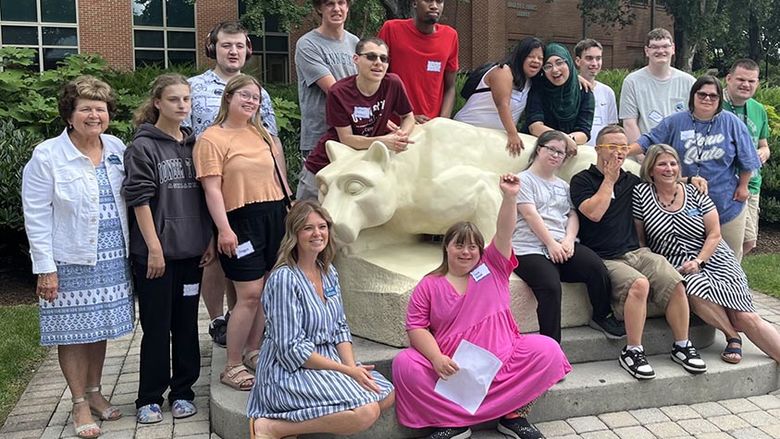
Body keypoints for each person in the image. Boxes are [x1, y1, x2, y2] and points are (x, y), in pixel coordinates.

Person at [392, 174, 571, 439]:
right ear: (447, 248)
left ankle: (513, 417)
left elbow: (504, 231)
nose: (466, 252)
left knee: (548, 350)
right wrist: (437, 358)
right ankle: (452, 424)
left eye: (473, 246)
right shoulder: (429, 284)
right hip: (453, 369)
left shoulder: (493, 266)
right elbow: (416, 327)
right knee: (405, 363)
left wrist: (510, 197)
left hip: (503, 361)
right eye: (459, 245)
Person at [22, 75, 134, 438]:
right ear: (69, 114)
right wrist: (45, 269)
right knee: (72, 332)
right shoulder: (48, 155)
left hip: (112, 255)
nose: (93, 115)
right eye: (85, 108)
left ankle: (96, 392)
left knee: (98, 327)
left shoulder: (116, 147)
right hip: (69, 258)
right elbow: (36, 214)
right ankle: (78, 403)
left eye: (100, 109)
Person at [248, 200, 394, 439]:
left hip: (326, 360)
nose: (317, 233)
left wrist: (350, 367)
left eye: (322, 226)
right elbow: (290, 349)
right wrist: (345, 371)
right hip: (289, 371)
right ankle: (271, 427)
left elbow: (339, 328)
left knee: (386, 393)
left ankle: (301, 418)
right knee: (366, 412)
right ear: (295, 234)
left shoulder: (327, 271)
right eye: (308, 228)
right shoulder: (285, 279)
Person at [570, 125, 705, 380]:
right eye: (612, 147)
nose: (619, 153)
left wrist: (689, 180)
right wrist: (609, 179)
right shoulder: (582, 181)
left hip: (636, 252)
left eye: (623, 147)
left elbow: (660, 180)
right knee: (639, 284)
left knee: (674, 280)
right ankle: (632, 351)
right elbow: (594, 213)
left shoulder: (632, 181)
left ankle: (682, 345)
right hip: (604, 256)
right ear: (598, 149)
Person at [634, 144, 780, 364]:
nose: (669, 169)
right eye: (662, 164)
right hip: (676, 263)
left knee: (745, 316)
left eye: (673, 163)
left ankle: (744, 334)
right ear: (650, 169)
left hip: (714, 257)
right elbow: (640, 239)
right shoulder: (641, 195)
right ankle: (732, 335)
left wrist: (700, 261)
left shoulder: (695, 192)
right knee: (691, 285)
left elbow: (714, 234)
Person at [123, 74, 215, 423]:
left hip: (191, 253)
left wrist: (206, 238)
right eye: (174, 99)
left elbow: (206, 198)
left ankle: (182, 392)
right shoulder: (142, 147)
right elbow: (139, 199)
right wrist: (154, 248)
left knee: (187, 325)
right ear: (157, 103)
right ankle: (149, 397)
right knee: (157, 326)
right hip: (155, 257)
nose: (181, 105)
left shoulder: (195, 147)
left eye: (186, 99)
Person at [187, 20, 284, 348]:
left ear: (248, 50)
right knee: (213, 253)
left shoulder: (259, 92)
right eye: (227, 45)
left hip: (247, 190)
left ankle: (239, 319)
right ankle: (217, 320)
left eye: (240, 45)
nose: (233, 51)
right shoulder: (194, 87)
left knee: (246, 268)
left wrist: (285, 192)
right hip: (203, 182)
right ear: (214, 47)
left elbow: (273, 141)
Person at [193, 74, 290, 391]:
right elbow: (212, 190)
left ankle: (254, 350)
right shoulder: (212, 138)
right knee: (248, 295)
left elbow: (280, 180)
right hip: (240, 220)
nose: (251, 102)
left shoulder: (262, 134)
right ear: (229, 98)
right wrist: (223, 229)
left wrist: (290, 212)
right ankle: (232, 364)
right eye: (245, 96)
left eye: (256, 98)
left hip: (273, 215)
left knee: (264, 292)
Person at [632, 75, 762, 262]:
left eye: (713, 96)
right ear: (693, 95)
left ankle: (731, 290)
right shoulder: (676, 121)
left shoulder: (731, 122)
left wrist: (743, 186)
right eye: (702, 94)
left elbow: (747, 158)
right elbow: (648, 141)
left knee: (730, 260)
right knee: (695, 259)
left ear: (719, 99)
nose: (707, 99)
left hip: (726, 202)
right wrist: (622, 150)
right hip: (687, 206)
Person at [513, 130, 624, 343]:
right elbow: (530, 214)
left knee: (596, 267)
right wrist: (551, 244)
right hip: (529, 248)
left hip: (562, 245)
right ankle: (551, 348)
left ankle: (601, 315)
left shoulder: (563, 185)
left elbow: (572, 215)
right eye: (551, 149)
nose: (556, 155)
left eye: (561, 152)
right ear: (538, 150)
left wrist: (568, 241)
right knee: (550, 286)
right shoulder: (523, 180)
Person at [299, 37, 415, 200]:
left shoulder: (393, 83)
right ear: (356, 59)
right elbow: (346, 139)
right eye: (371, 57)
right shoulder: (339, 92)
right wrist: (383, 141)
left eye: (383, 58)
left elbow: (408, 117)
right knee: (306, 218)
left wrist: (401, 136)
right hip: (328, 164)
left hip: (362, 165)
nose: (378, 63)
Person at [454, 37, 543, 155]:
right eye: (531, 56)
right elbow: (502, 105)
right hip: (466, 132)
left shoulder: (530, 83)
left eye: (540, 58)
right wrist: (513, 134)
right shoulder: (503, 71)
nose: (536, 61)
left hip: (493, 139)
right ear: (521, 56)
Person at [295, 0, 360, 163]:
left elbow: (366, 86)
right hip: (321, 137)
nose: (336, 9)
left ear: (347, 7)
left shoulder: (355, 43)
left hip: (354, 136)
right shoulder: (307, 44)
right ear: (319, 8)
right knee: (318, 188)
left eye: (341, 3)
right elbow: (335, 90)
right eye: (330, 4)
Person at [378, 0, 459, 123]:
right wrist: (406, 117)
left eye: (439, 1)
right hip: (396, 128)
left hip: (433, 128)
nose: (434, 6)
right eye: (428, 1)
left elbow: (450, 87)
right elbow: (376, 81)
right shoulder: (391, 29)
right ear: (414, 3)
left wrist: (442, 122)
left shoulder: (450, 36)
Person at [723, 59, 771, 256]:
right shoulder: (716, 105)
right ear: (728, 79)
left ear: (757, 83)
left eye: (751, 81)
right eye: (741, 79)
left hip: (752, 183)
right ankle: (730, 280)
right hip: (726, 183)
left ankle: (730, 277)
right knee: (738, 239)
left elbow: (763, 144)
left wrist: (764, 153)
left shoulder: (758, 109)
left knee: (749, 241)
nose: (746, 85)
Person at [619, 28, 695, 144]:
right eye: (654, 47)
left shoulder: (689, 82)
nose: (660, 51)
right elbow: (629, 123)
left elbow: (696, 121)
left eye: (665, 46)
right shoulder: (632, 82)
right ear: (646, 51)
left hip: (679, 156)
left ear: (673, 49)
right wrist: (642, 157)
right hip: (646, 155)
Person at [524, 42, 594, 156]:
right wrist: (563, 139)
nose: (555, 70)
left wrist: (569, 140)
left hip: (569, 152)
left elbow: (584, 132)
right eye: (548, 66)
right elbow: (534, 126)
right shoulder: (538, 88)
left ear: (569, 63)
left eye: (559, 63)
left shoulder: (584, 92)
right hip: (537, 151)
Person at [574, 39, 618, 146]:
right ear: (578, 61)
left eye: (598, 58)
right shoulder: (570, 91)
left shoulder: (608, 92)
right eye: (589, 58)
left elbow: (611, 128)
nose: (594, 63)